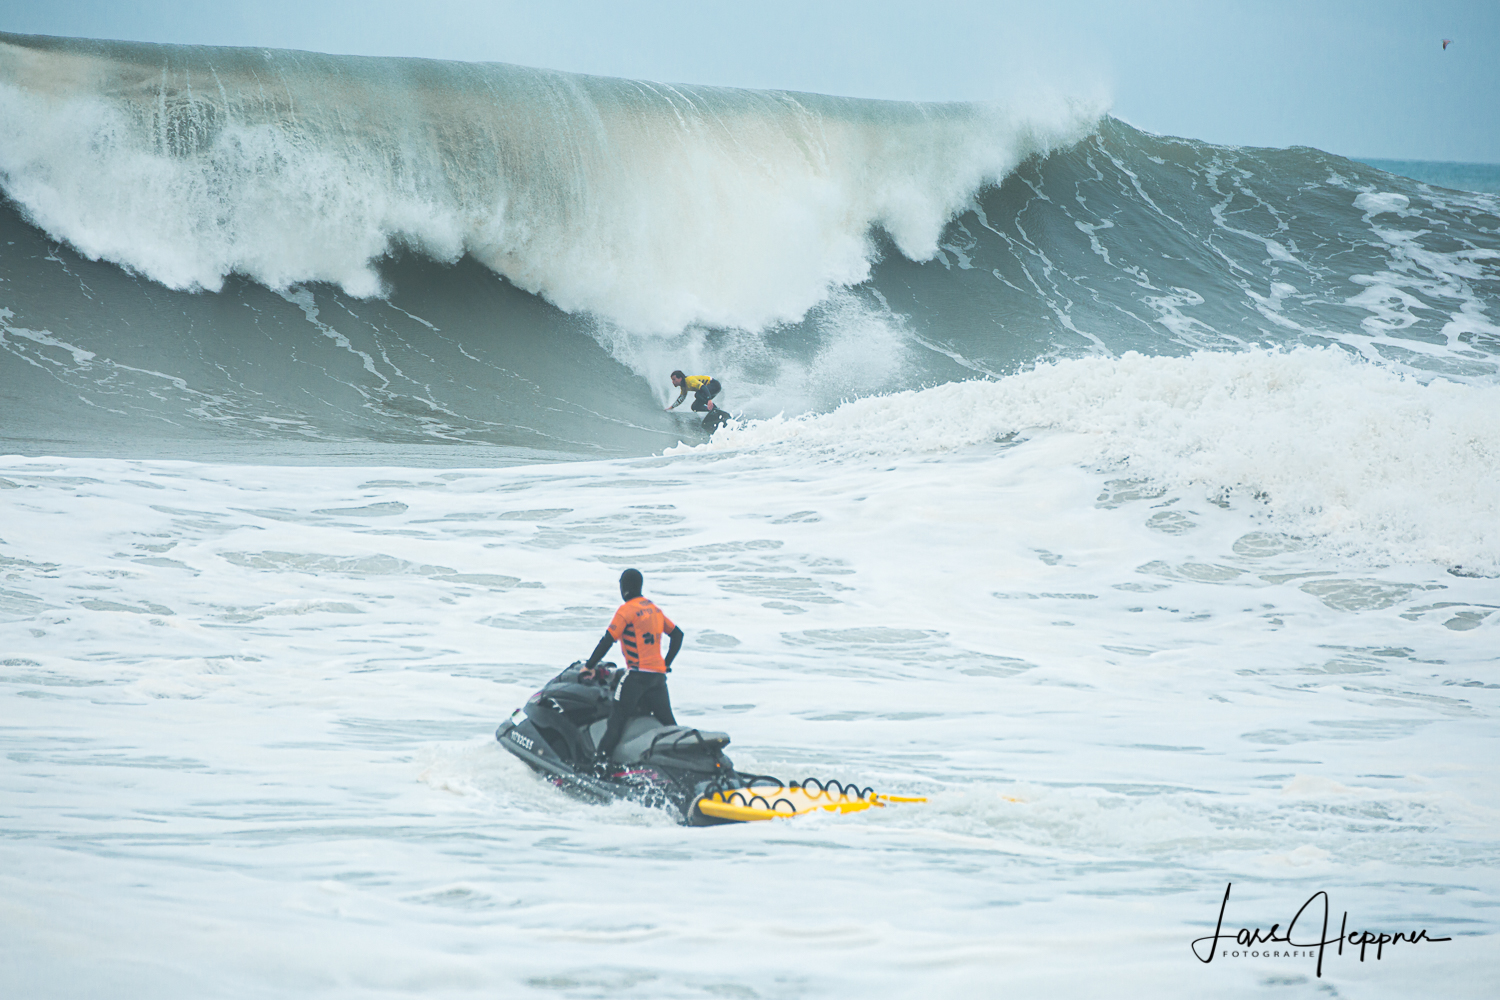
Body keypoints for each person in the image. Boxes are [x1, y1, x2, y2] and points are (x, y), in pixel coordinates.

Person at [583, 568, 684, 771]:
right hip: (658, 677)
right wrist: (667, 663)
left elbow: (607, 641)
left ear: (624, 587)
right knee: (669, 723)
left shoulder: (626, 610)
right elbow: (678, 635)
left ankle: (599, 766)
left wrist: (589, 666)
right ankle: (682, 762)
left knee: (617, 721)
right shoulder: (654, 609)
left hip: (636, 676)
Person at [667, 370, 732, 431]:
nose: (673, 382)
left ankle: (715, 410)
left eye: (674, 379)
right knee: (694, 407)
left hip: (714, 385)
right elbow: (682, 397)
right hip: (708, 390)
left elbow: (703, 387)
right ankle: (712, 410)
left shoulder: (690, 381)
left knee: (698, 394)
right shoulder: (683, 386)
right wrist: (672, 407)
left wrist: (709, 399)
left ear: (680, 378)